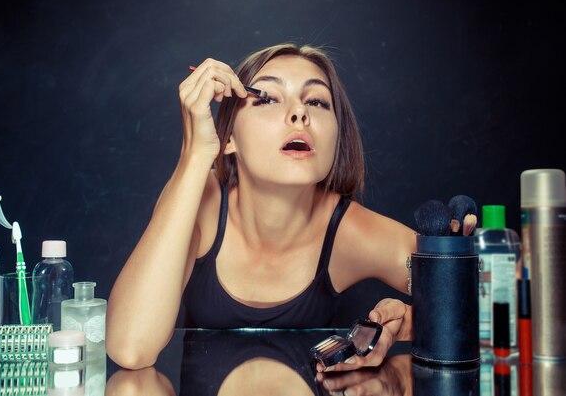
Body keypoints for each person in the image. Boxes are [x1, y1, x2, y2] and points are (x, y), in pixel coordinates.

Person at [106, 43, 417, 370]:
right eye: (267, 98)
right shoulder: (197, 200)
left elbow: (475, 300)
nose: (300, 113)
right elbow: (130, 347)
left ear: (337, 138)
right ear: (229, 137)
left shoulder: (351, 231)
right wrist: (195, 157)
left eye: (316, 101)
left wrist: (407, 323)